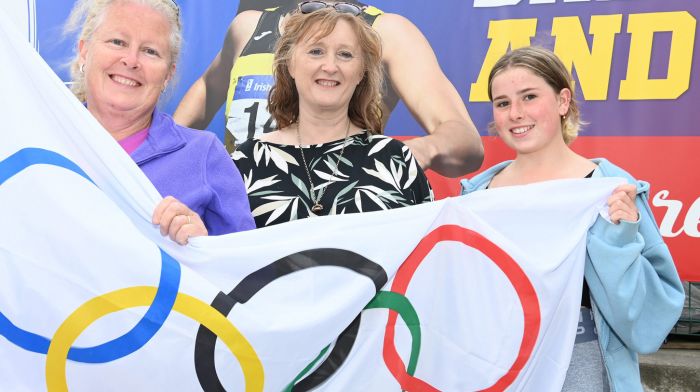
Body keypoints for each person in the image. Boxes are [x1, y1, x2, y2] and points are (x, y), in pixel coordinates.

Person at [460, 47, 684, 391]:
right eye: (502, 103)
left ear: (563, 101)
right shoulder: (476, 198)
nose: (516, 113)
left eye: (529, 97)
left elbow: (648, 323)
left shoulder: (611, 190)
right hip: (500, 373)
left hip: (584, 372)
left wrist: (620, 242)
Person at [173, 0, 483, 178]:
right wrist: (162, 150)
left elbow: (464, 140)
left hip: (331, 218)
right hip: (239, 219)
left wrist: (420, 149)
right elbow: (207, 86)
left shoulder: (387, 32)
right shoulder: (250, 26)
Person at [65, 0, 255, 243]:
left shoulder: (204, 154)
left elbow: (244, 271)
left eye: (150, 51)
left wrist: (203, 247)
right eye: (117, 42)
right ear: (84, 51)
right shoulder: (40, 136)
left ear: (168, 74)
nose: (131, 60)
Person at [232, 6, 433, 228]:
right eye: (316, 51)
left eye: (345, 54)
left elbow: (427, 252)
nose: (330, 66)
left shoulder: (396, 159)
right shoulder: (245, 162)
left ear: (361, 72)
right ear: (289, 64)